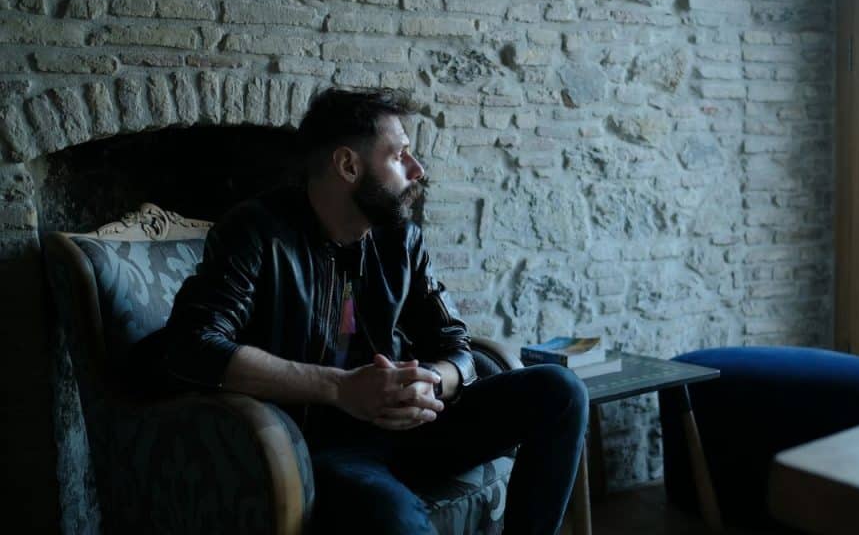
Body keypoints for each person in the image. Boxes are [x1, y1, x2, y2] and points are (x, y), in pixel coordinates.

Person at [149, 88, 589, 534]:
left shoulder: (400, 239)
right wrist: (341, 389)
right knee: (395, 519)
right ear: (348, 165)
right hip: (321, 443)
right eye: (400, 156)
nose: (418, 170)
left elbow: (455, 344)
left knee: (560, 389)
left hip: (417, 425)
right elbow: (192, 345)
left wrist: (427, 383)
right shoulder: (257, 232)